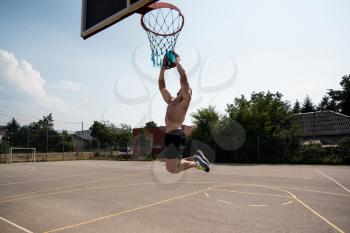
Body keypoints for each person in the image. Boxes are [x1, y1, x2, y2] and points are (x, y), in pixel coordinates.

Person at [158, 52, 210, 174]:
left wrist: (176, 62)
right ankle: (195, 159)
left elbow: (183, 77)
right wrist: (162, 69)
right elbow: (162, 87)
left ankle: (196, 163)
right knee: (173, 166)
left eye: (188, 89)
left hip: (175, 135)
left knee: (172, 169)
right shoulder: (171, 100)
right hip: (170, 135)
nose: (187, 89)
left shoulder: (184, 101)